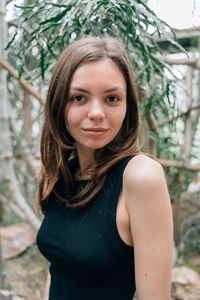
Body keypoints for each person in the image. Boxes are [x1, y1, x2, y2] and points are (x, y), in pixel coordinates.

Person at [36, 36, 173, 300]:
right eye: (78, 97)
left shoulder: (141, 176)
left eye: (111, 98)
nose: (97, 112)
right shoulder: (62, 172)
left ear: (127, 105)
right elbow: (60, 268)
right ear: (58, 104)